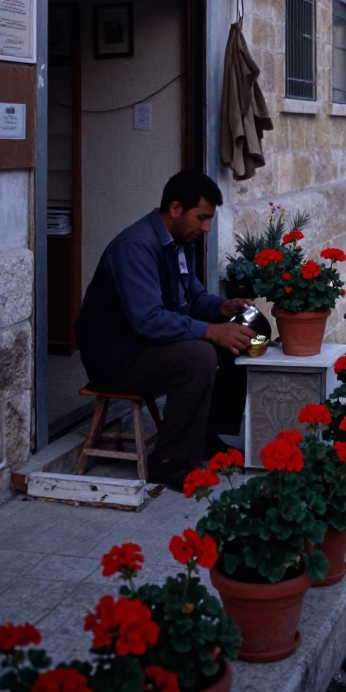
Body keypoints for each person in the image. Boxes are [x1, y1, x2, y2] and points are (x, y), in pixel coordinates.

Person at [75, 169, 257, 489]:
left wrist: (222, 309)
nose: (206, 228)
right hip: (116, 357)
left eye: (209, 219)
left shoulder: (178, 242)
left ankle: (205, 437)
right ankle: (169, 460)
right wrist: (211, 331)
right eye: (201, 218)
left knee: (238, 334)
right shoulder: (136, 247)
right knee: (200, 354)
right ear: (175, 209)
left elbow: (194, 297)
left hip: (146, 345)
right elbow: (149, 319)